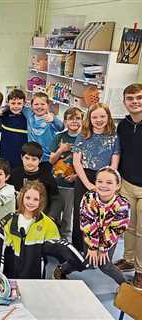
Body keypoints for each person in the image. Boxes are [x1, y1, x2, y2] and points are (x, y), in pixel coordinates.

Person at [53, 167, 129, 285]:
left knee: (105, 265)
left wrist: (103, 248)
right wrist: (93, 247)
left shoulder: (122, 204)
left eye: (109, 182)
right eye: (99, 181)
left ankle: (125, 286)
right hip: (91, 234)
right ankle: (61, 269)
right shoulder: (89, 198)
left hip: (109, 237)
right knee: (87, 261)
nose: (103, 185)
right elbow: (88, 224)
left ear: (117, 186)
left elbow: (116, 229)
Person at [72, 103, 119, 252]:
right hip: (84, 176)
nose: (99, 120)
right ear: (89, 118)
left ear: (108, 117)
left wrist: (106, 183)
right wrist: (87, 183)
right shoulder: (83, 135)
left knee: (100, 216)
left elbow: (115, 160)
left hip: (105, 178)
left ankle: (97, 248)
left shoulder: (114, 136)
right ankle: (78, 249)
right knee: (81, 214)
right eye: (95, 117)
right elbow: (76, 161)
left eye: (102, 116)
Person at [0, 181, 60, 279]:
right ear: (22, 197)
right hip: (12, 267)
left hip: (34, 270)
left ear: (41, 201)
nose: (31, 202)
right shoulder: (10, 219)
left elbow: (56, 247)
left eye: (35, 199)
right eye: (28, 198)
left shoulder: (47, 223)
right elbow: (3, 245)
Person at [114, 83, 142, 289]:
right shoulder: (123, 125)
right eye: (130, 99)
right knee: (129, 227)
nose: (135, 102)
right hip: (126, 182)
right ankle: (129, 259)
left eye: (139, 97)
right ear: (125, 102)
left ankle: (140, 271)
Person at [49, 107, 83, 239]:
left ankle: (66, 239)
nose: (74, 121)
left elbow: (87, 163)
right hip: (57, 182)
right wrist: (61, 149)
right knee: (54, 212)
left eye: (78, 118)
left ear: (82, 120)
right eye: (70, 119)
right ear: (65, 121)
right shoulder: (59, 137)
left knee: (68, 214)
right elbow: (51, 160)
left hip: (72, 185)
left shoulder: (85, 138)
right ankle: (53, 238)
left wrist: (77, 176)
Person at [9, 142, 59, 214]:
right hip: (18, 214)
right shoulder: (14, 174)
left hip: (40, 215)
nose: (30, 162)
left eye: (34, 159)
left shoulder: (46, 176)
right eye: (27, 158)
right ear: (21, 157)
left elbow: (56, 199)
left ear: (40, 160)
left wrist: (51, 216)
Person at [23, 92, 64, 162]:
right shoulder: (29, 113)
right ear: (31, 106)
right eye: (36, 104)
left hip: (48, 157)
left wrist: (54, 119)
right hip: (32, 156)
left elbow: (61, 127)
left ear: (48, 106)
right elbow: (15, 106)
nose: (39, 107)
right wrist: (2, 110)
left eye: (43, 104)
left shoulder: (50, 117)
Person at [0, 89, 28, 169]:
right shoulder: (4, 114)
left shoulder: (27, 116)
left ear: (24, 103)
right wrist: (4, 109)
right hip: (5, 153)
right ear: (8, 103)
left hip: (21, 155)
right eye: (13, 103)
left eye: (19, 103)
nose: (16, 106)